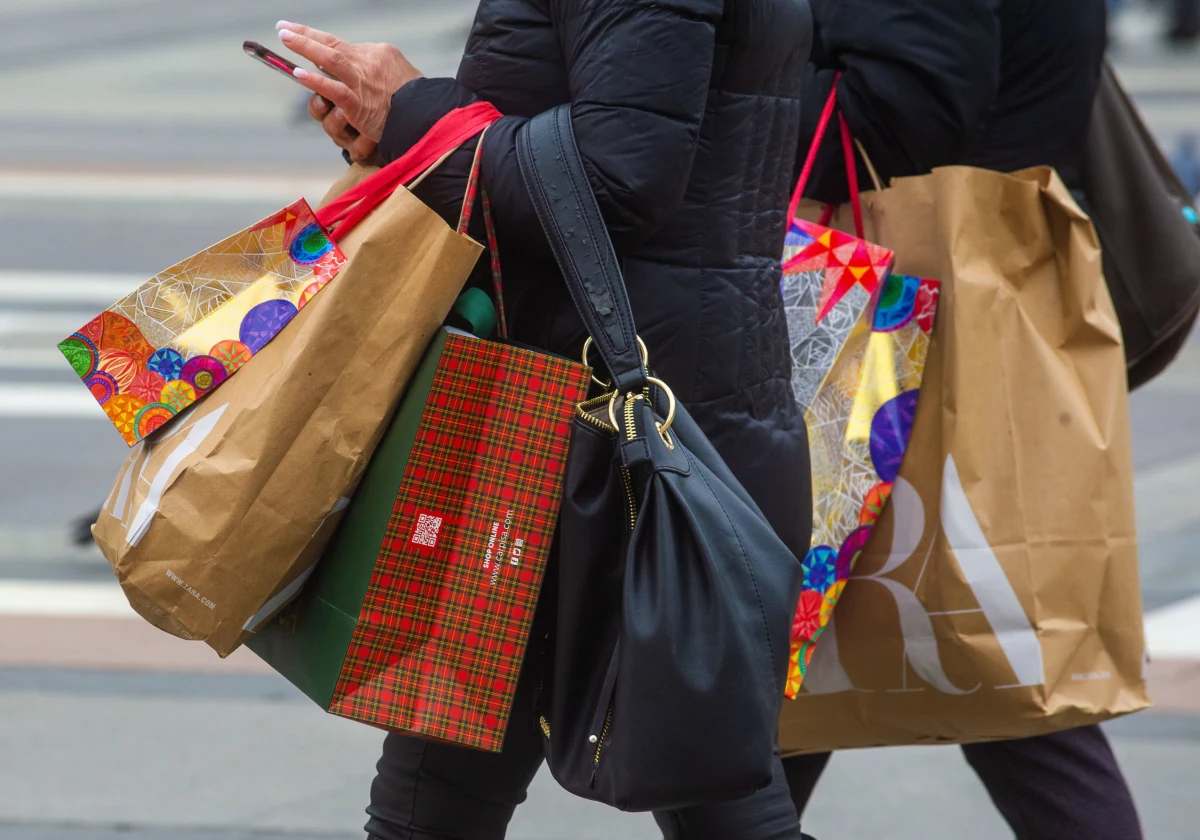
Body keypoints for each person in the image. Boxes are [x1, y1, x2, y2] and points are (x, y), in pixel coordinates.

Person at [278, 1, 816, 838]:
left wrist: (413, 113)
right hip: (632, 402)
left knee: (444, 796)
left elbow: (613, 180)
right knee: (448, 790)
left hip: (594, 425)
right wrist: (402, 130)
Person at [784, 2, 1145, 839]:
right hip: (966, 295)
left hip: (908, 309)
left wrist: (728, 93)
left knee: (771, 686)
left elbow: (902, 108)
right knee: (1004, 669)